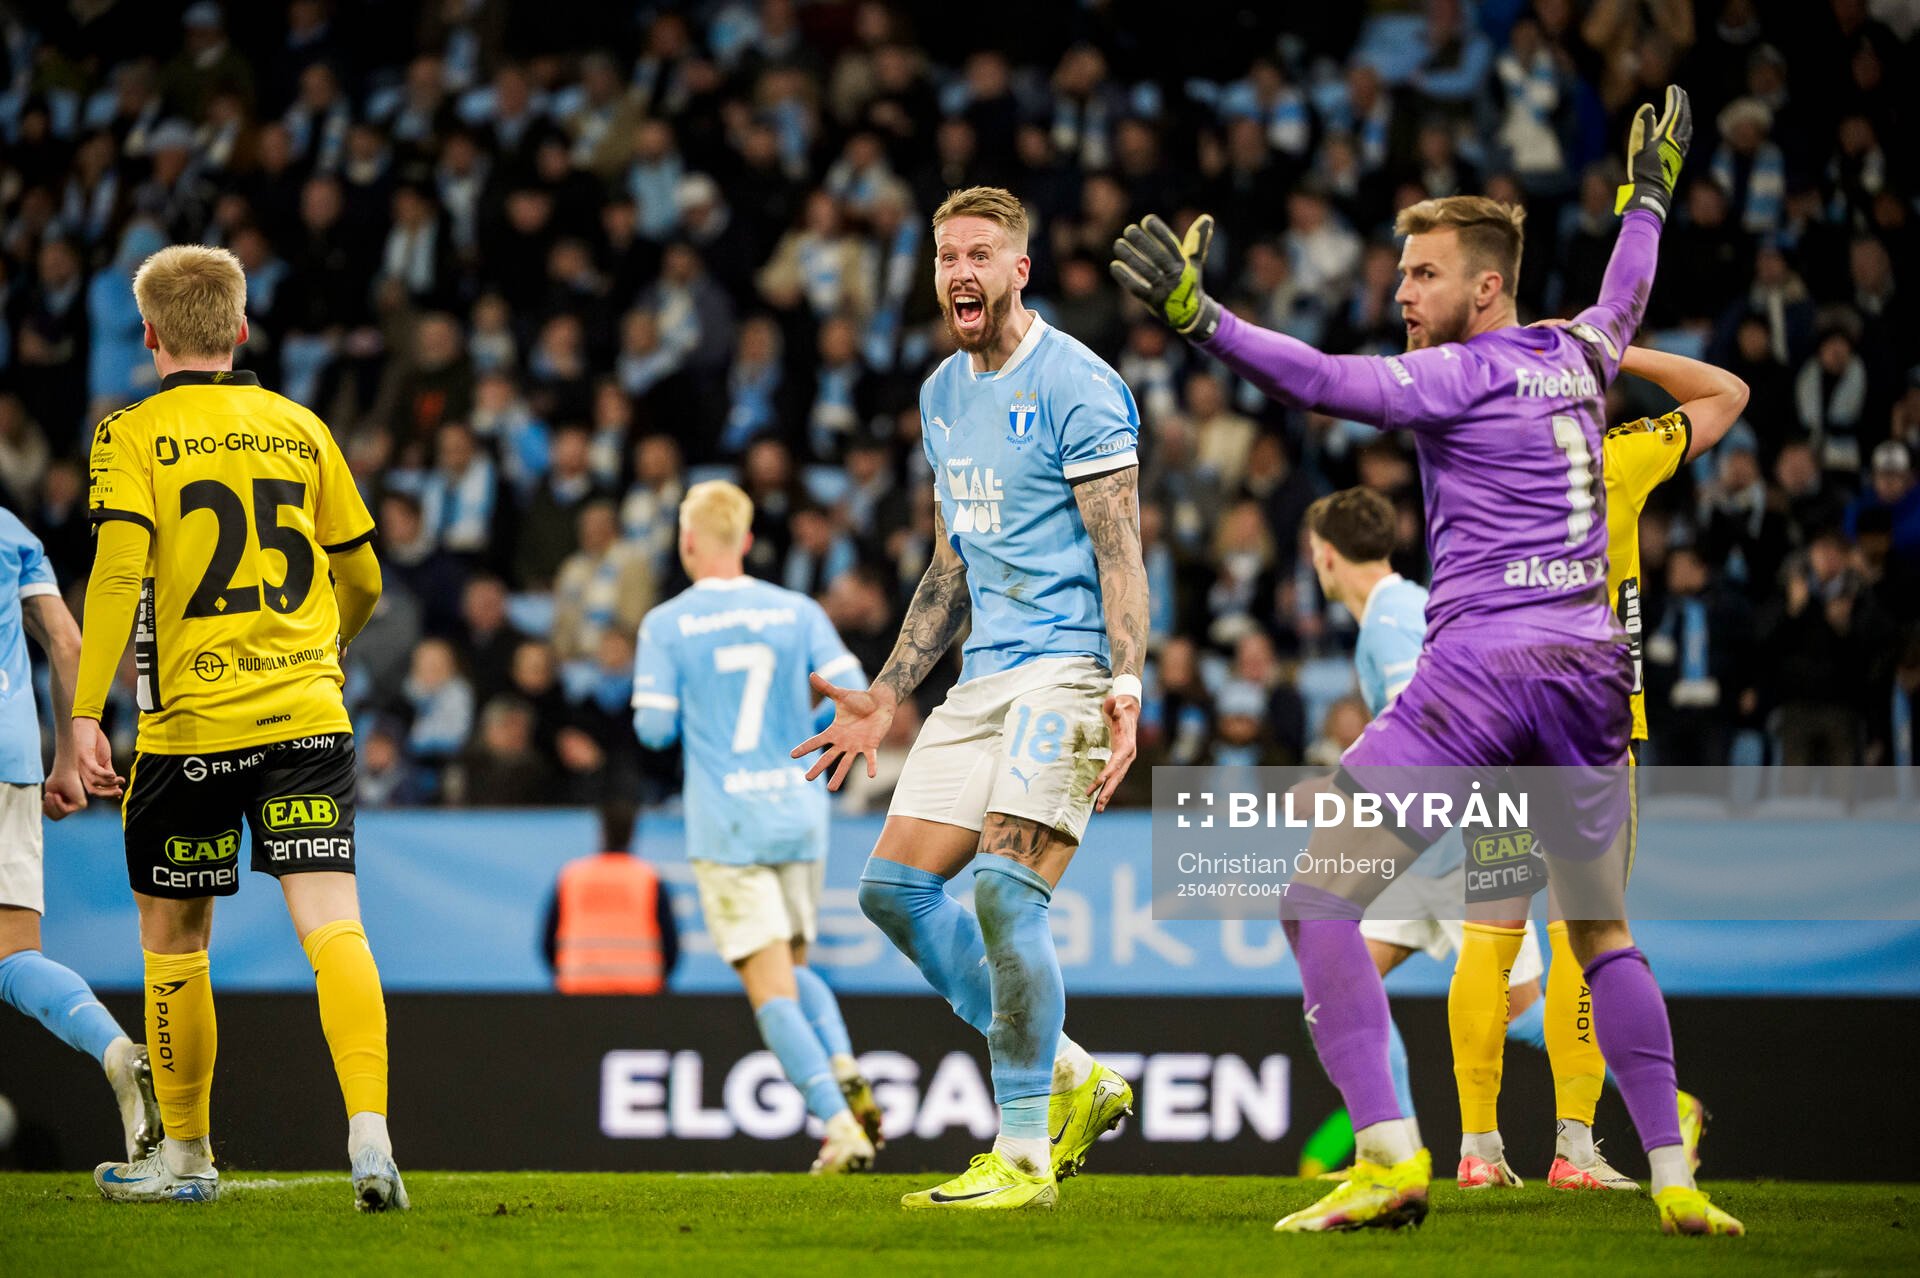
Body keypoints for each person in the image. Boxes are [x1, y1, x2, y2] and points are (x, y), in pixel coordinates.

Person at [1115, 87, 1742, 1236]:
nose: (1401, 294)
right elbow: (1626, 292)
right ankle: (1673, 1177)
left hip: (1483, 666)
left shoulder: (1459, 375)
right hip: (1592, 676)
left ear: (1486, 287)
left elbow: (1320, 381)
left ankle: (1390, 1156)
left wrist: (1204, 319)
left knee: (1318, 898)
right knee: (1601, 936)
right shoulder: (1584, 354)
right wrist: (1648, 198)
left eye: (1423, 275)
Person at [796, 187, 1145, 1211]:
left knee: (1001, 892)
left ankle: (1023, 1156)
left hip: (1067, 670)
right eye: (948, 255)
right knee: (892, 892)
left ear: (1019, 270)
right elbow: (952, 566)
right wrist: (886, 693)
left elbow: (1121, 554)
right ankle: (1074, 1074)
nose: (960, 271)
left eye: (980, 254)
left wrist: (1126, 683)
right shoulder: (941, 395)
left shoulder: (1078, 383)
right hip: (981, 677)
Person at [75, 244, 404, 1210]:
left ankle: (186, 1159)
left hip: (191, 733)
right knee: (334, 926)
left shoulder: (130, 433)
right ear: (242, 328)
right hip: (307, 719)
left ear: (149, 335)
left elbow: (118, 575)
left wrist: (85, 715)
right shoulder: (301, 426)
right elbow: (364, 575)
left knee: (176, 940)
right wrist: (327, 647)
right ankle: (372, 1139)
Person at [631, 480, 884, 1175]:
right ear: (745, 540)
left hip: (728, 821)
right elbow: (856, 693)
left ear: (687, 541)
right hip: (798, 813)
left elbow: (653, 729)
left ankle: (838, 1125)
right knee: (794, 970)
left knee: (769, 988)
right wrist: (799, 724)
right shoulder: (796, 609)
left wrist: (696, 710)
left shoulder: (667, 624)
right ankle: (843, 1064)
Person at [0, 508, 161, 1164]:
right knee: (13, 955)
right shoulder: (12, 533)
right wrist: (66, 761)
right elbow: (68, 643)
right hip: (10, 761)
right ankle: (114, 1049)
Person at [541, 801, 679, 993]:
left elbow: (548, 942)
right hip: (640, 992)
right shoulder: (648, 878)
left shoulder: (572, 876)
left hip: (578, 990)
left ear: (601, 833)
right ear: (632, 835)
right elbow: (670, 946)